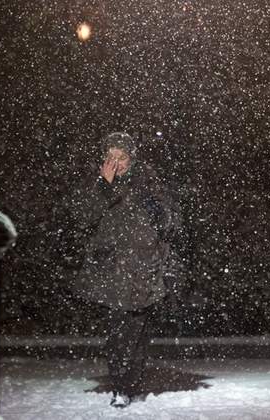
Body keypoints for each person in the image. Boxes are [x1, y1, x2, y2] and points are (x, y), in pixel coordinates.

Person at [71, 132, 181, 408]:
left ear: (132, 159)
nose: (116, 162)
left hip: (146, 270)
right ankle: (121, 388)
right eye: (111, 157)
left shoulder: (148, 184)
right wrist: (103, 185)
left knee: (138, 333)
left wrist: (162, 216)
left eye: (122, 157)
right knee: (117, 331)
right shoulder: (96, 184)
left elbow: (172, 221)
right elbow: (81, 217)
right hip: (111, 271)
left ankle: (130, 385)